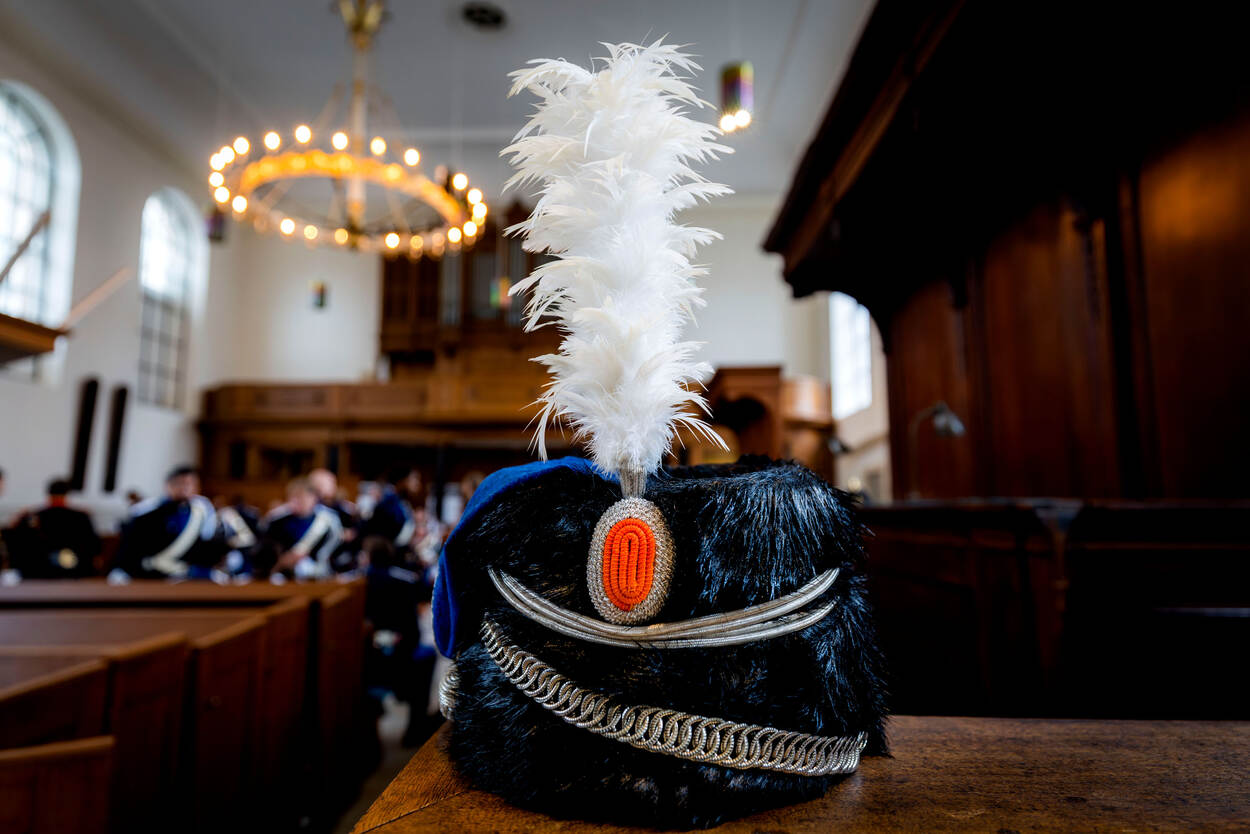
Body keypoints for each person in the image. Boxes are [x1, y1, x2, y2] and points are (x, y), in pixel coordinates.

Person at [115, 465, 223, 579]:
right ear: (168, 485)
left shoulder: (201, 513)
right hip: (151, 575)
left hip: (186, 575)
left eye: (191, 484)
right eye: (181, 483)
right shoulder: (147, 513)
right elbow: (130, 549)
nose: (185, 488)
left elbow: (204, 545)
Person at [5, 478, 100, 578]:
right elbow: (93, 545)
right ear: (67, 494)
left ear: (48, 494)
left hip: (38, 570)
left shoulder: (32, 516)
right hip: (75, 570)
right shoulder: (81, 517)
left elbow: (15, 541)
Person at [254, 477, 342, 580]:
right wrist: (280, 559)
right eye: (291, 497)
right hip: (282, 573)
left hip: (318, 574)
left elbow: (334, 547)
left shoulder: (328, 520)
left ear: (313, 497)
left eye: (300, 497)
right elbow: (266, 545)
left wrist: (310, 557)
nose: (294, 501)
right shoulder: (277, 520)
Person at [359, 465, 420, 558]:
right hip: (385, 557)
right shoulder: (388, 501)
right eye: (414, 479)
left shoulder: (401, 501)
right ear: (403, 481)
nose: (417, 484)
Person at [308, 468, 360, 571]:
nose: (334, 486)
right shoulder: (311, 508)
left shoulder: (343, 508)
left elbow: (353, 529)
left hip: (340, 555)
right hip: (315, 556)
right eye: (330, 482)